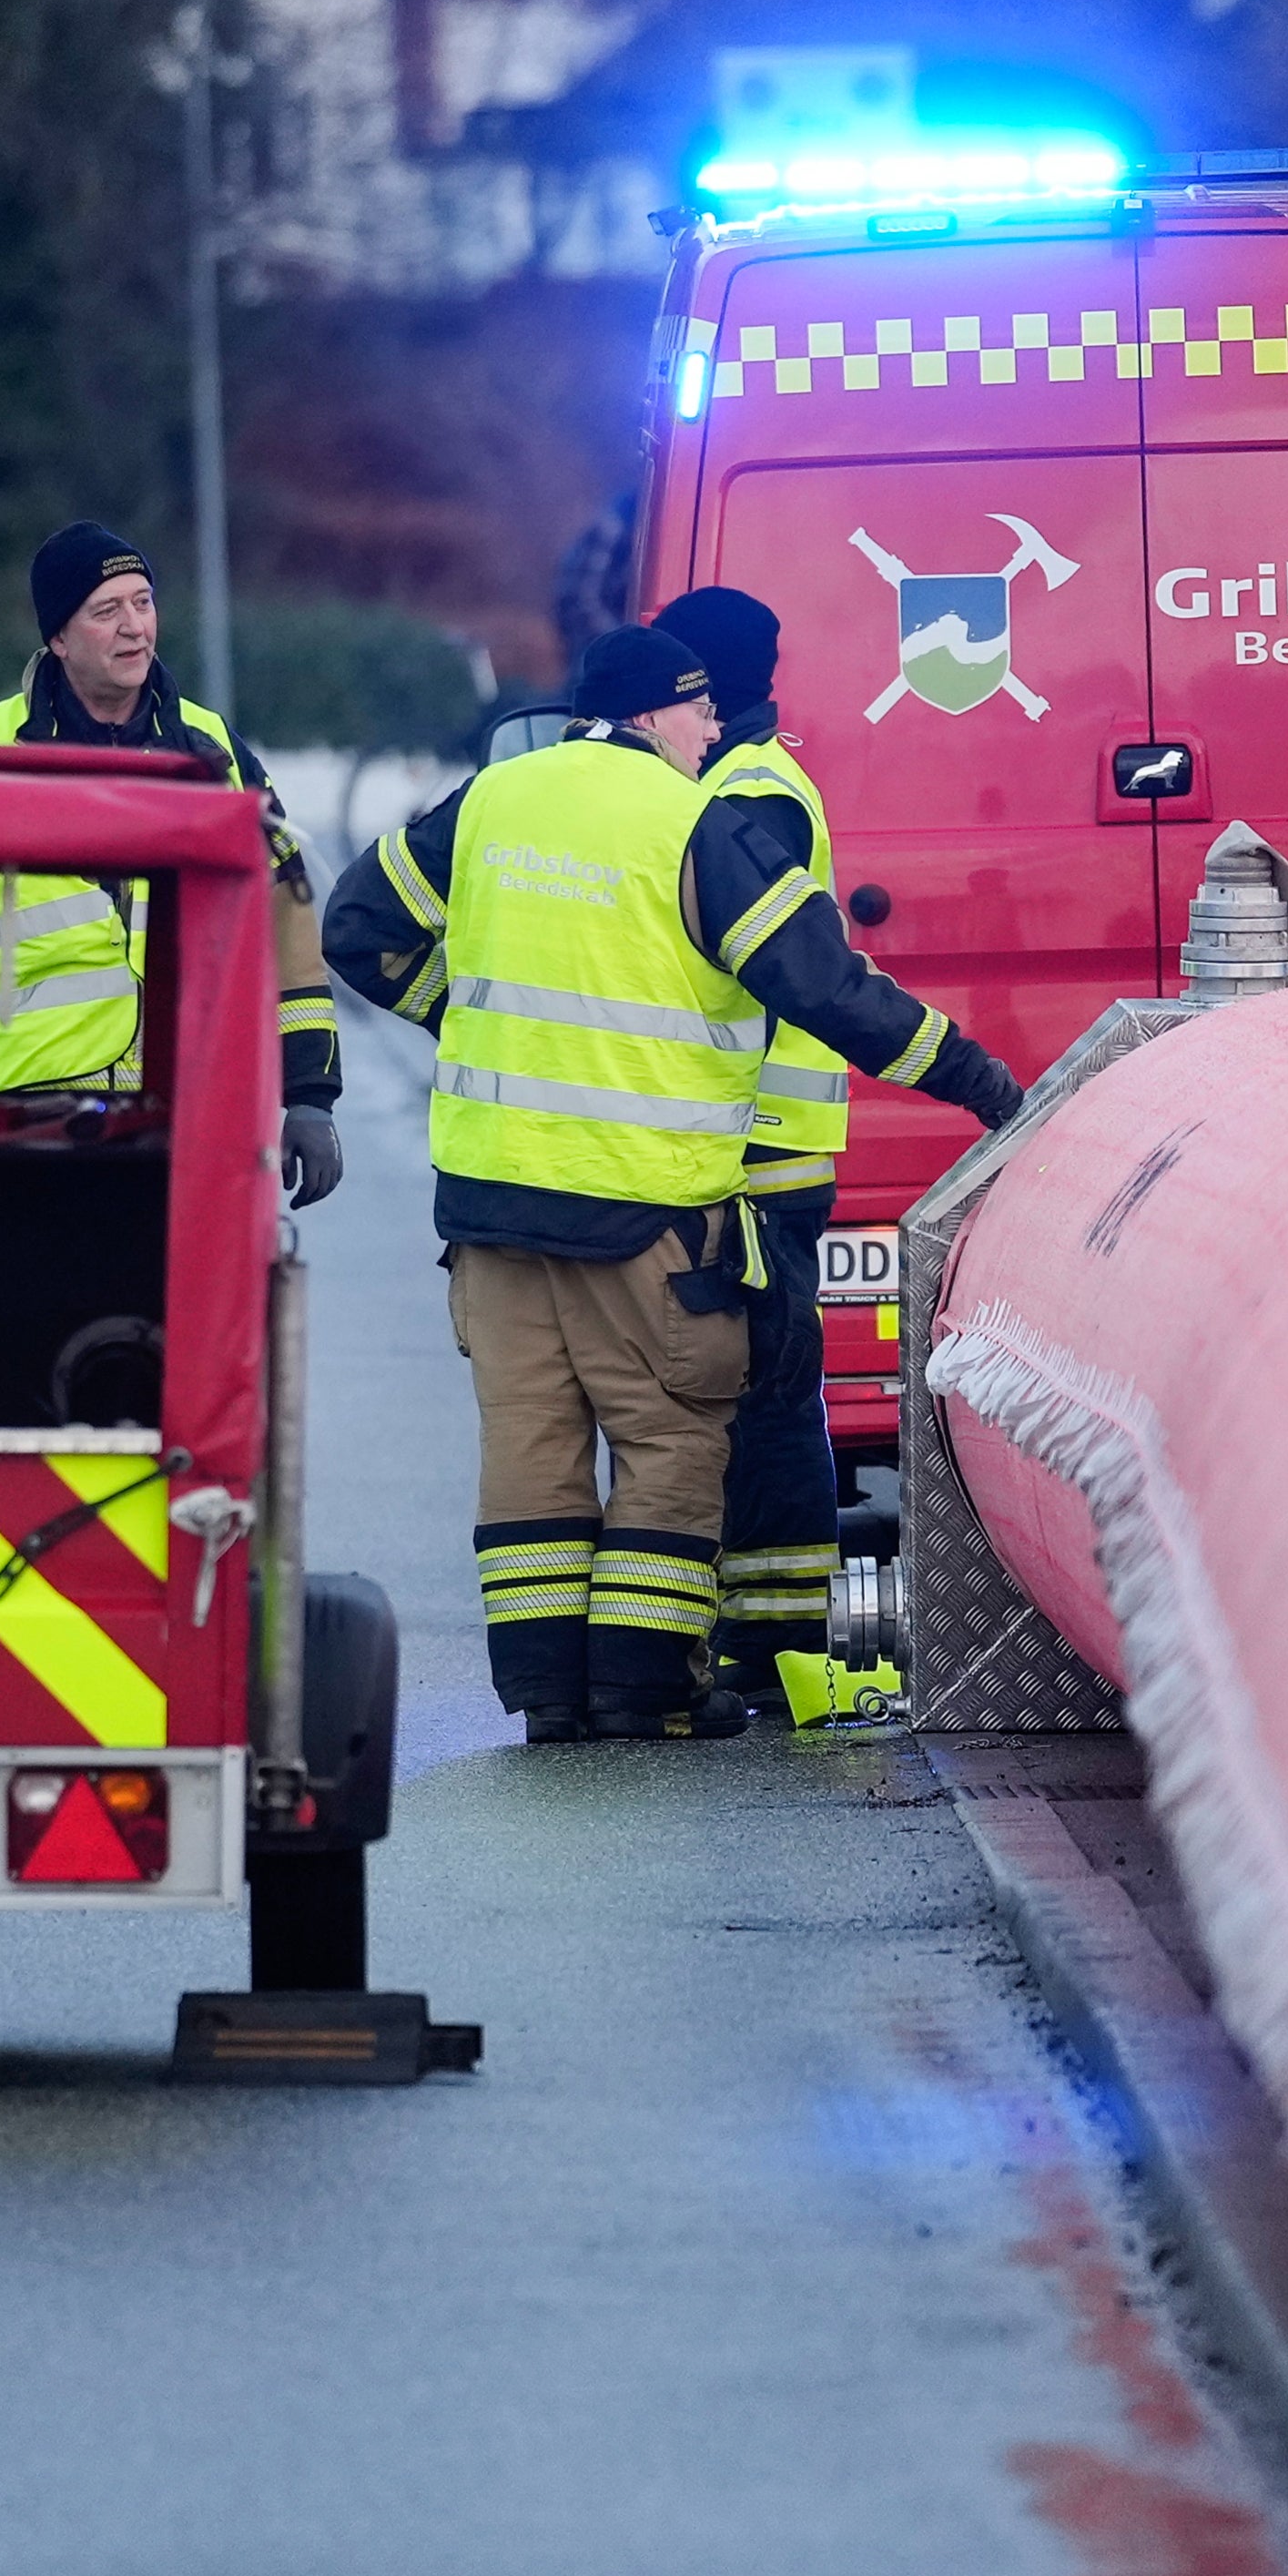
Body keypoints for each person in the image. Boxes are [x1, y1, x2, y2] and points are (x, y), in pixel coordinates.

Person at [323, 621, 1022, 1742]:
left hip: (490, 1209)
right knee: (667, 1439)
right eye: (699, 710)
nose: (715, 729)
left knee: (532, 1446)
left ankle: (550, 1695)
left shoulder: (491, 801)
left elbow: (358, 929)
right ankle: (649, 1692)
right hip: (640, 1211)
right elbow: (828, 986)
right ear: (650, 715)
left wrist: (463, 1020)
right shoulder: (695, 826)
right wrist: (981, 1079)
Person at [0, 524, 345, 1205]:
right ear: (57, 638)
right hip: (23, 1126)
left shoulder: (213, 754)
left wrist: (310, 1096)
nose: (135, 628)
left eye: (143, 602)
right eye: (106, 610)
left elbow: (287, 928)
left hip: (193, 1113)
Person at [654, 583, 884, 1705]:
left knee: (774, 1391)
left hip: (760, 1146)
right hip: (741, 1140)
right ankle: (754, 1636)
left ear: (702, 684)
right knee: (744, 1389)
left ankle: (783, 1647)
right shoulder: (738, 783)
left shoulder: (745, 795)